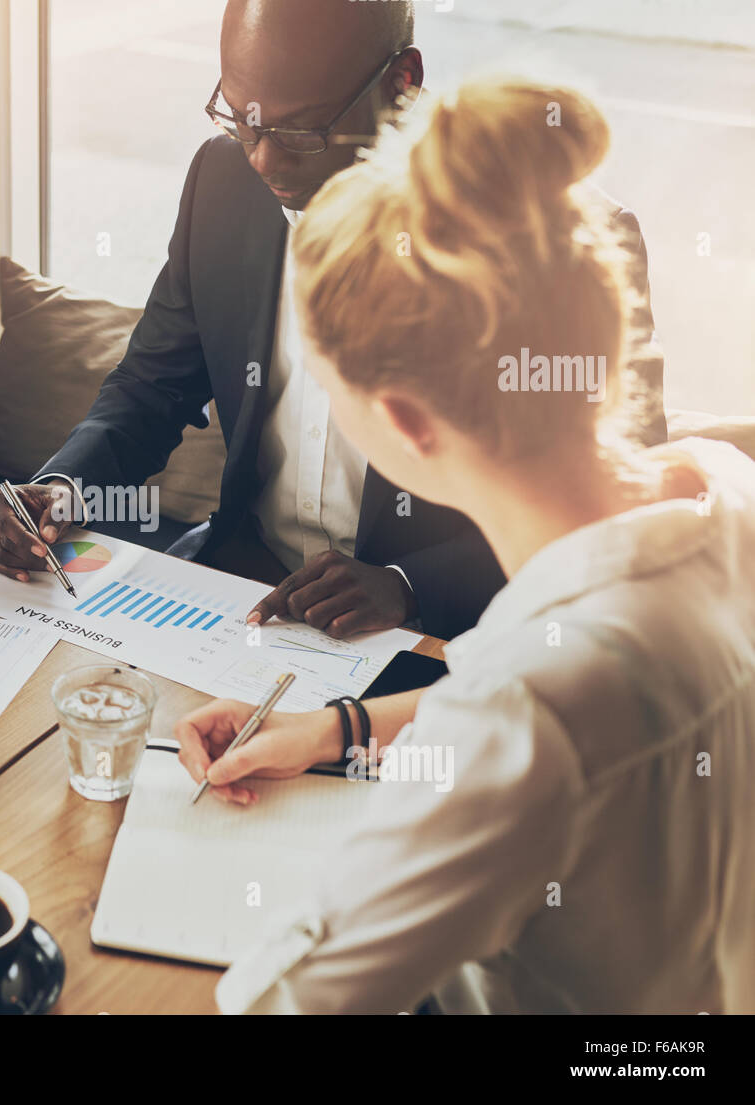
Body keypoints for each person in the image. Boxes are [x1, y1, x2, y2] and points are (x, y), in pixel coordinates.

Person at [173, 74, 755, 1014]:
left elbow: (295, 1000)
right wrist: (337, 731)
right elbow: (536, 724)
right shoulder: (720, 494)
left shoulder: (533, 711)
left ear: (403, 422)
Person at [0, 0, 665, 642]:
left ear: (403, 81)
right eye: (241, 116)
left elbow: (608, 494)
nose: (262, 157)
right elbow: (151, 387)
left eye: (300, 130)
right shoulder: (223, 182)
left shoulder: (560, 245)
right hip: (236, 584)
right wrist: (62, 490)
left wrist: (408, 585)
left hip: (434, 632)